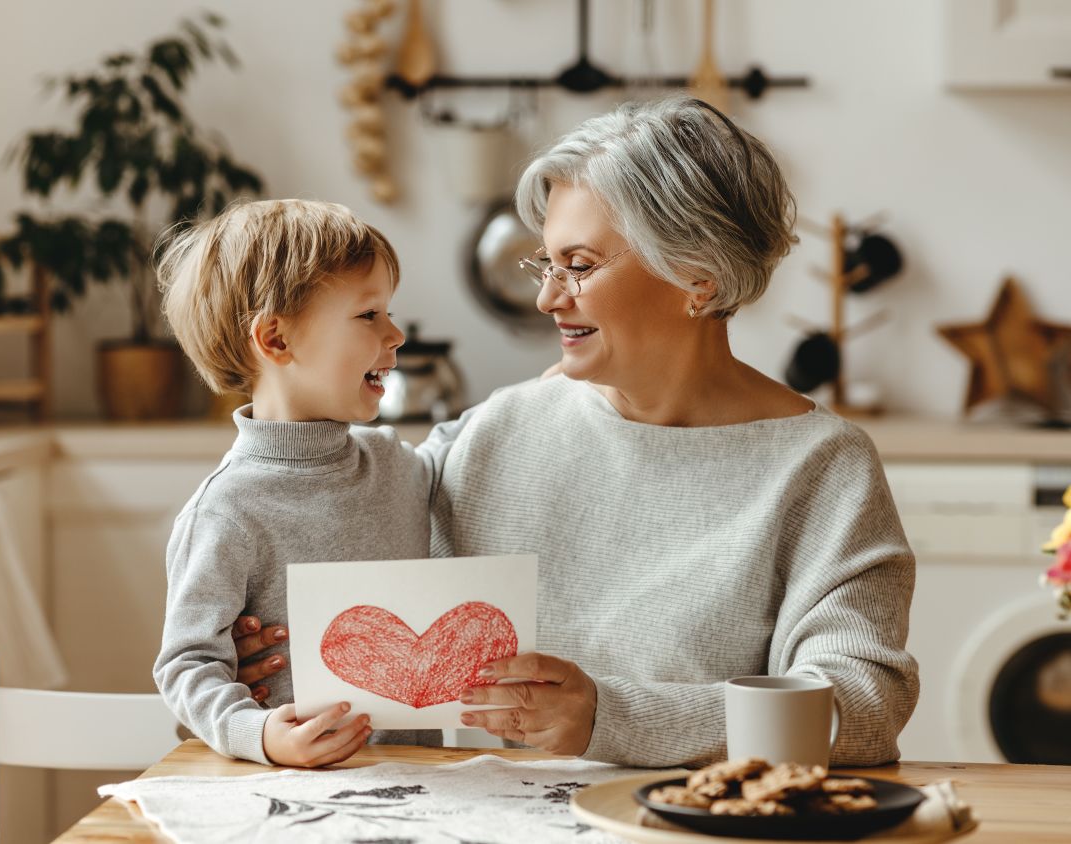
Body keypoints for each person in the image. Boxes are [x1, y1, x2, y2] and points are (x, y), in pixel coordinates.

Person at [235, 96, 919, 768]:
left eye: (581, 267)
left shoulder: (822, 468)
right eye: (547, 264)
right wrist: (272, 645)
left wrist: (609, 717)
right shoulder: (502, 429)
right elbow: (353, 551)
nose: (547, 298)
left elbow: (863, 709)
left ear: (698, 278)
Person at [152, 198, 443, 768]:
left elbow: (475, 440)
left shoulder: (396, 464)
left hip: (422, 787)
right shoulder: (226, 509)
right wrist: (259, 734)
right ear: (276, 340)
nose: (397, 334)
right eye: (368, 315)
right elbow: (186, 665)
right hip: (288, 798)